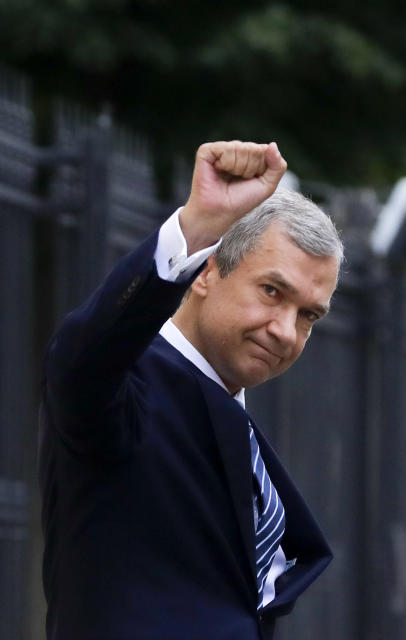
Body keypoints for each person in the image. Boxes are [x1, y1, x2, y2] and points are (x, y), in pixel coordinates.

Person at [38, 140, 342, 639]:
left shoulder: (232, 419)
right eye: (272, 292)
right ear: (205, 272)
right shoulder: (128, 386)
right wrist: (197, 226)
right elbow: (79, 360)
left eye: (308, 314)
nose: (286, 330)